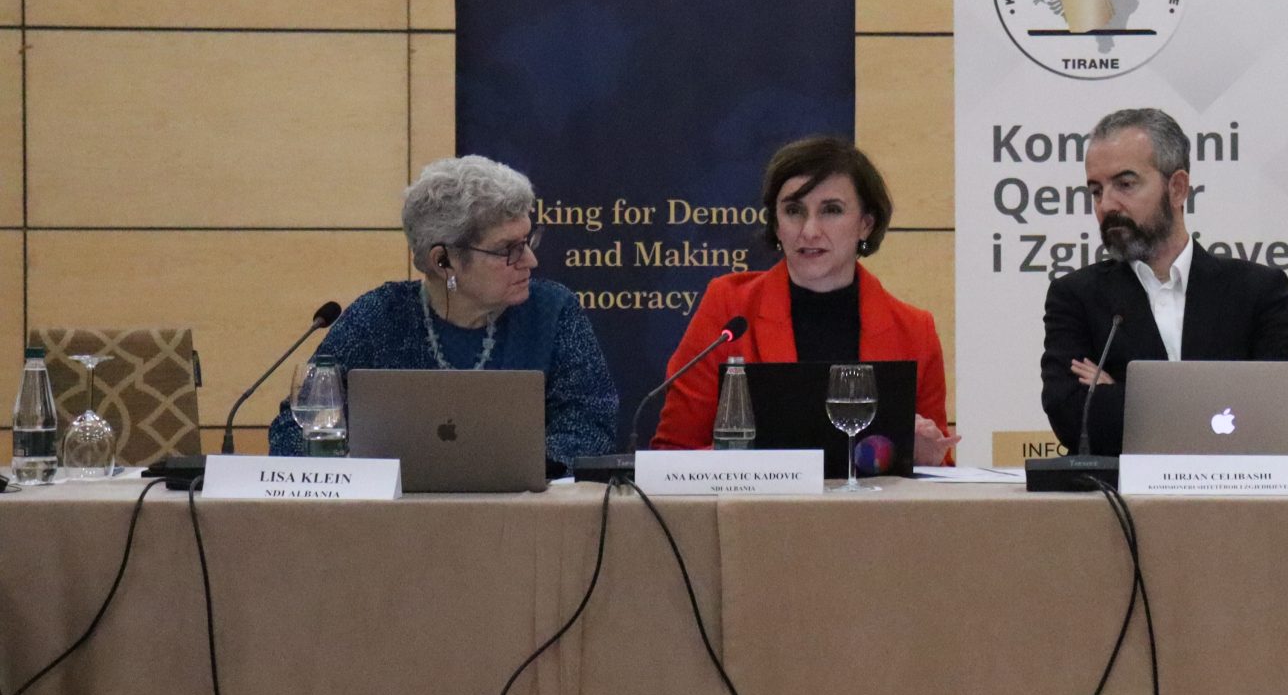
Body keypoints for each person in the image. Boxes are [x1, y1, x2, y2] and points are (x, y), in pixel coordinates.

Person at [270, 155, 616, 470]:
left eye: (527, 242)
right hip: (397, 513)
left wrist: (509, 473)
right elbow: (294, 429)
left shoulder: (554, 311)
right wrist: (362, 472)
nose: (530, 260)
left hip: (523, 509)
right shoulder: (379, 317)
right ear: (443, 261)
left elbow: (591, 426)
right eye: (508, 249)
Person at [652, 136, 954, 462]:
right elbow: (672, 454)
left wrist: (926, 456)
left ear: (865, 224)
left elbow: (938, 470)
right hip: (756, 497)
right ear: (776, 223)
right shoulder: (729, 307)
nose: (809, 231)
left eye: (831, 210)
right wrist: (757, 456)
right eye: (794, 211)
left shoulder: (914, 331)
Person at [1039, 107, 1288, 454]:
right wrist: (1214, 413)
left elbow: (1281, 414)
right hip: (1126, 490)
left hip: (1235, 488)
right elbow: (1073, 419)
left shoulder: (1257, 291)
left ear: (1177, 188)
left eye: (1125, 184)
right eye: (1096, 191)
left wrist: (1120, 394)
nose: (1106, 205)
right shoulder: (1077, 297)